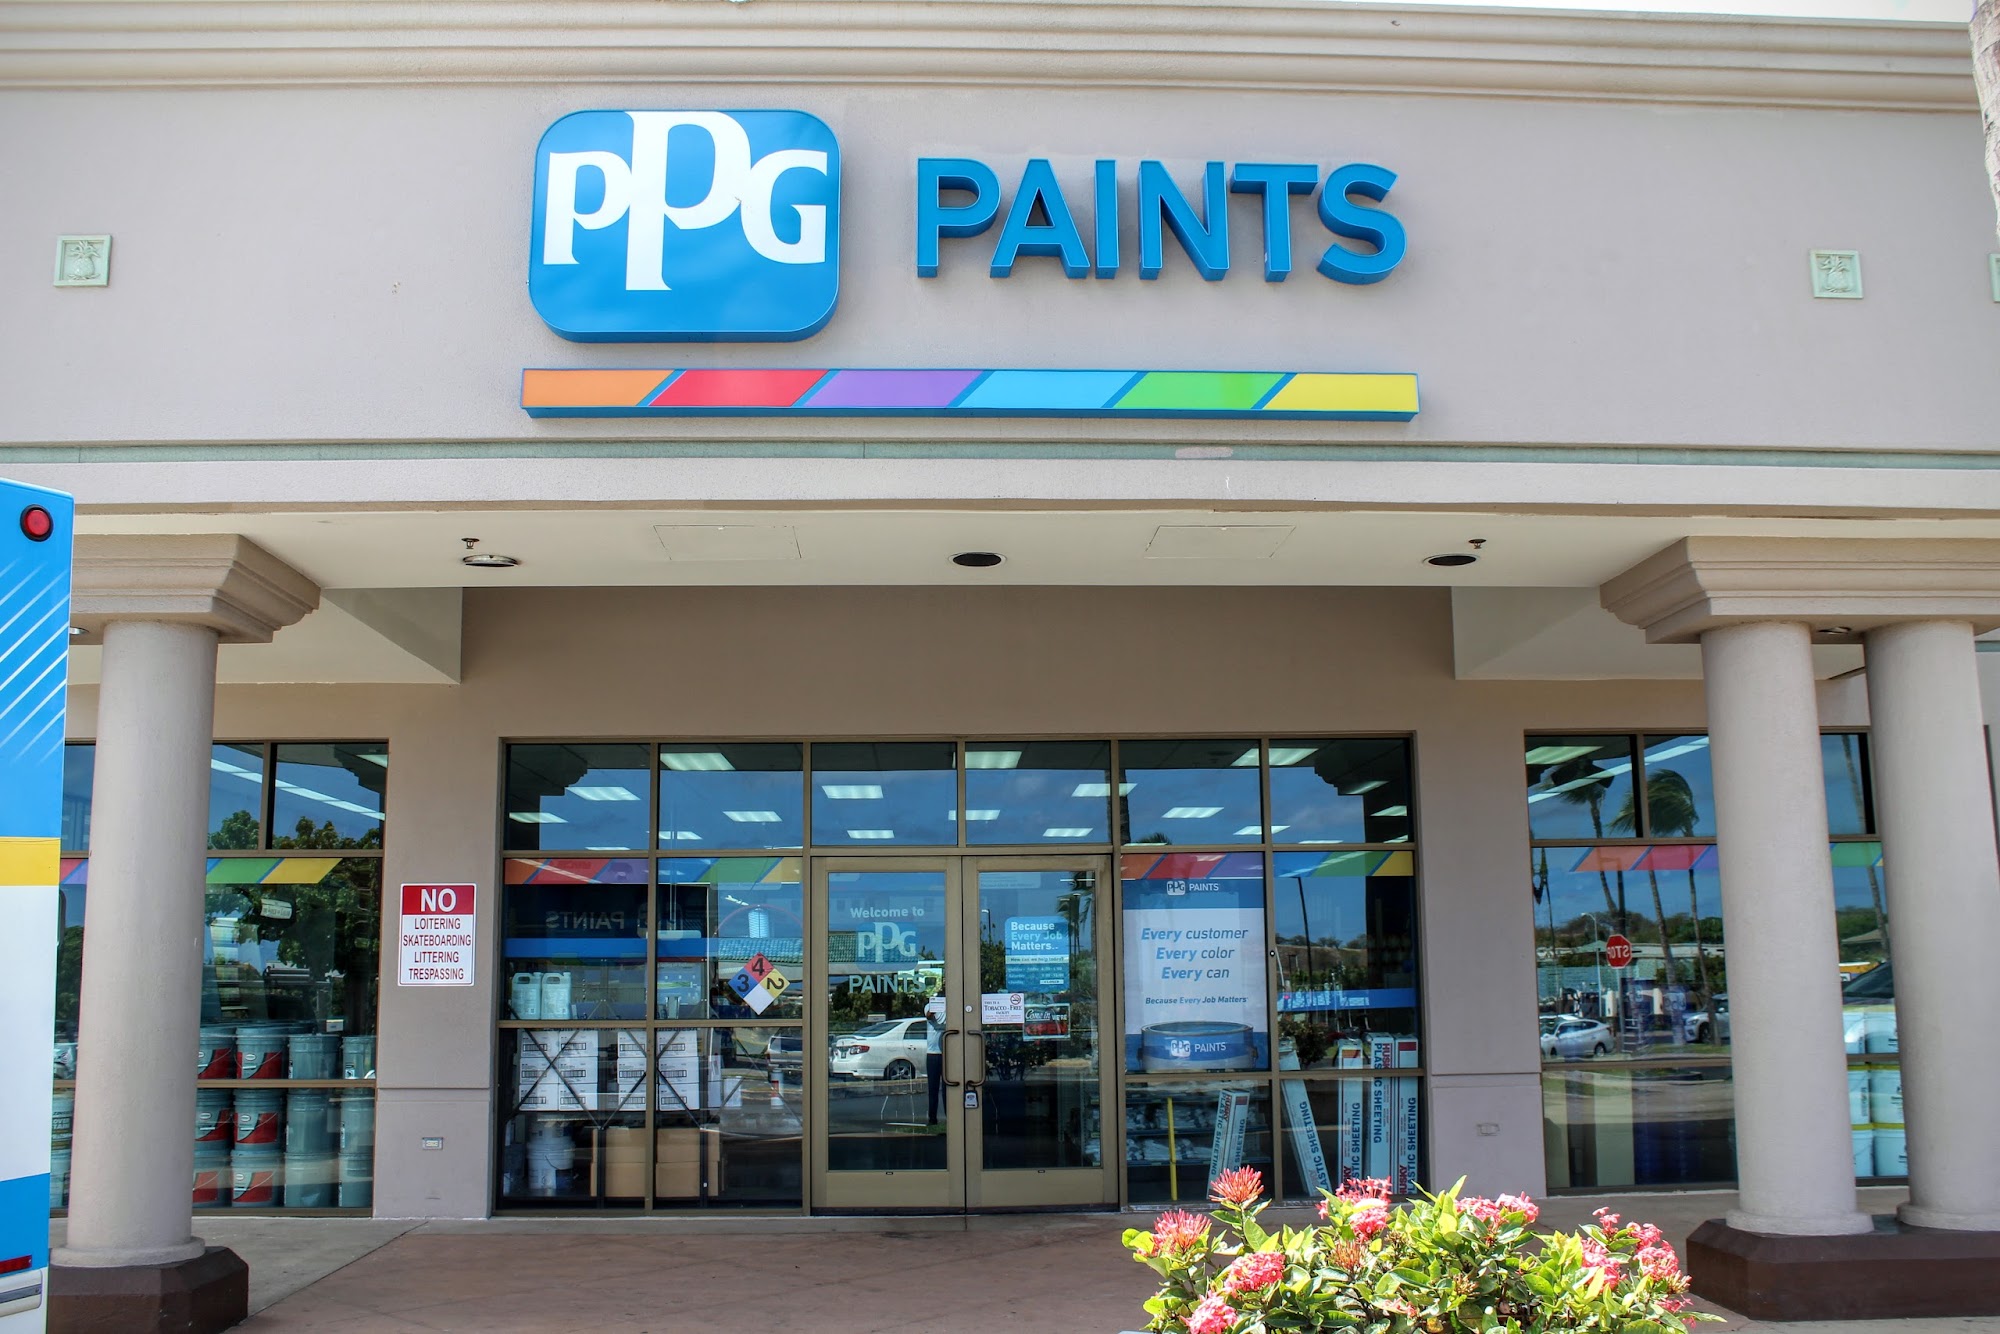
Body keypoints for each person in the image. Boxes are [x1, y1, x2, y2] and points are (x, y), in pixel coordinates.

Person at [924, 994, 947, 1125]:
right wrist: (935, 1005)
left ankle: (950, 1117)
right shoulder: (929, 1006)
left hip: (947, 1052)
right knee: (933, 1088)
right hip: (933, 1053)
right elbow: (929, 1016)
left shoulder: (951, 1008)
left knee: (947, 1087)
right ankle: (932, 1118)